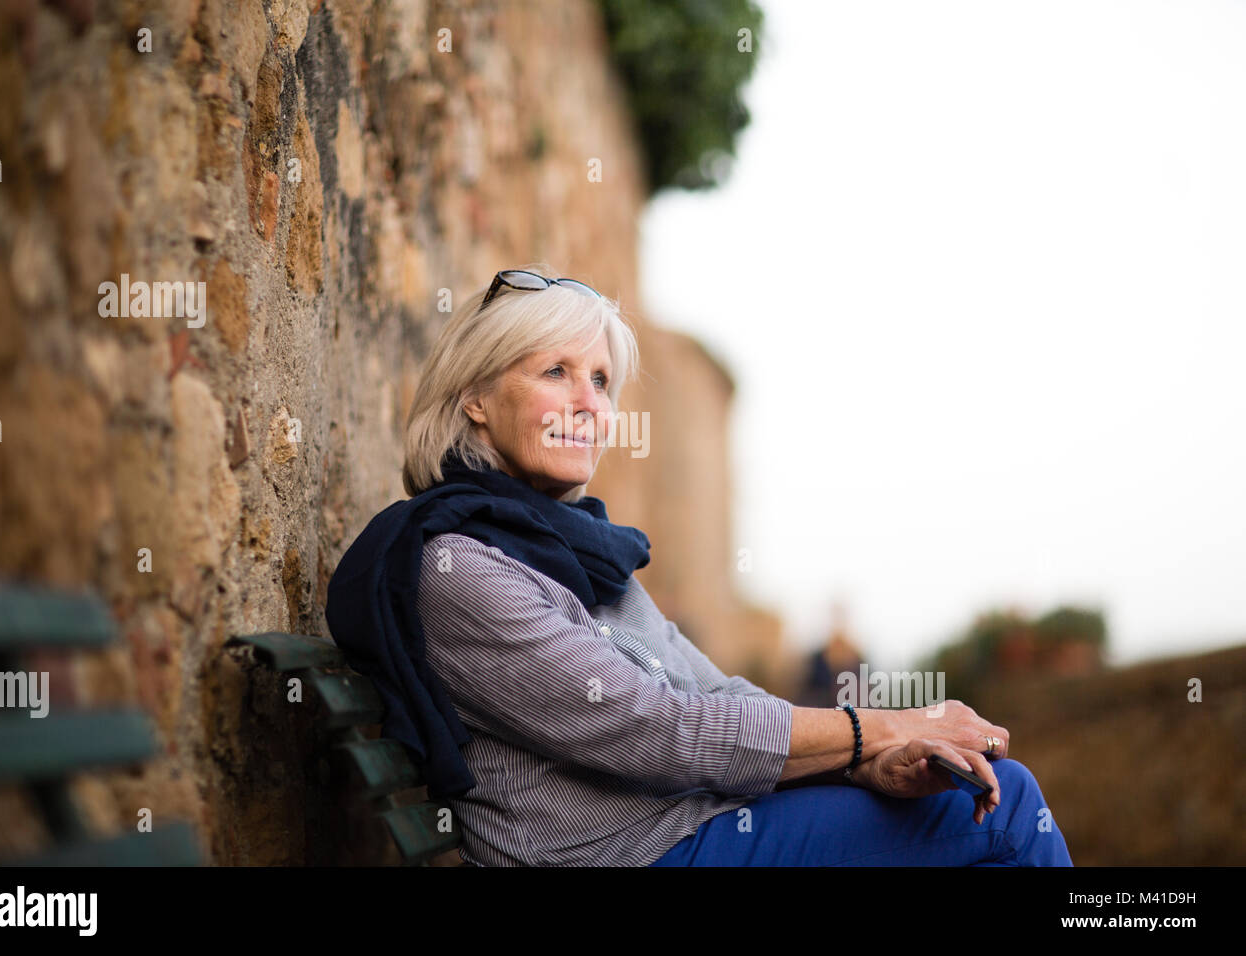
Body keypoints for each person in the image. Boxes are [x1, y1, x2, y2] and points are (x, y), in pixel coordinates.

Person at [324, 263, 1073, 867]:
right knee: (1006, 811)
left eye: (602, 381)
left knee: (971, 797)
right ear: (477, 398)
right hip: (629, 853)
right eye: (555, 371)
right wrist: (875, 728)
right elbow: (659, 731)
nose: (589, 403)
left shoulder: (579, 554)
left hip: (695, 825)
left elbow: (718, 694)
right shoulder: (458, 568)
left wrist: (863, 764)